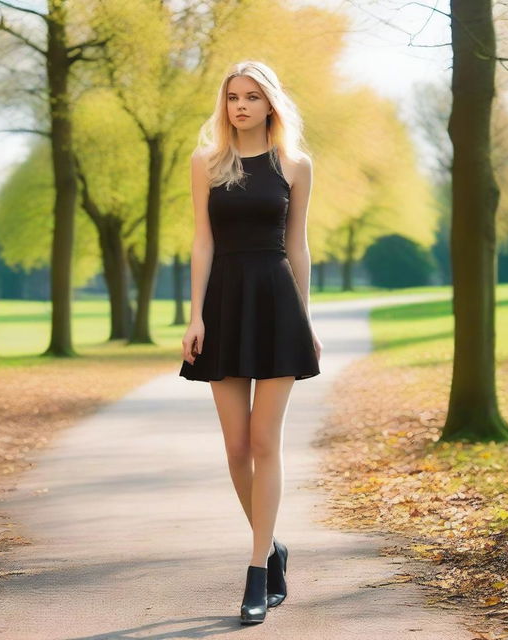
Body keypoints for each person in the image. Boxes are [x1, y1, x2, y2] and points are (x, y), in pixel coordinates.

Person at [178, 60, 323, 625]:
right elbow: (201, 242)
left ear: (270, 104)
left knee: (266, 441)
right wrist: (195, 315)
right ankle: (274, 546)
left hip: (277, 302)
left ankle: (257, 572)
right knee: (237, 448)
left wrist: (306, 319)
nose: (239, 105)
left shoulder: (295, 164)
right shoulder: (207, 164)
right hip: (224, 304)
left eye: (251, 96)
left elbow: (299, 245)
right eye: (233, 96)